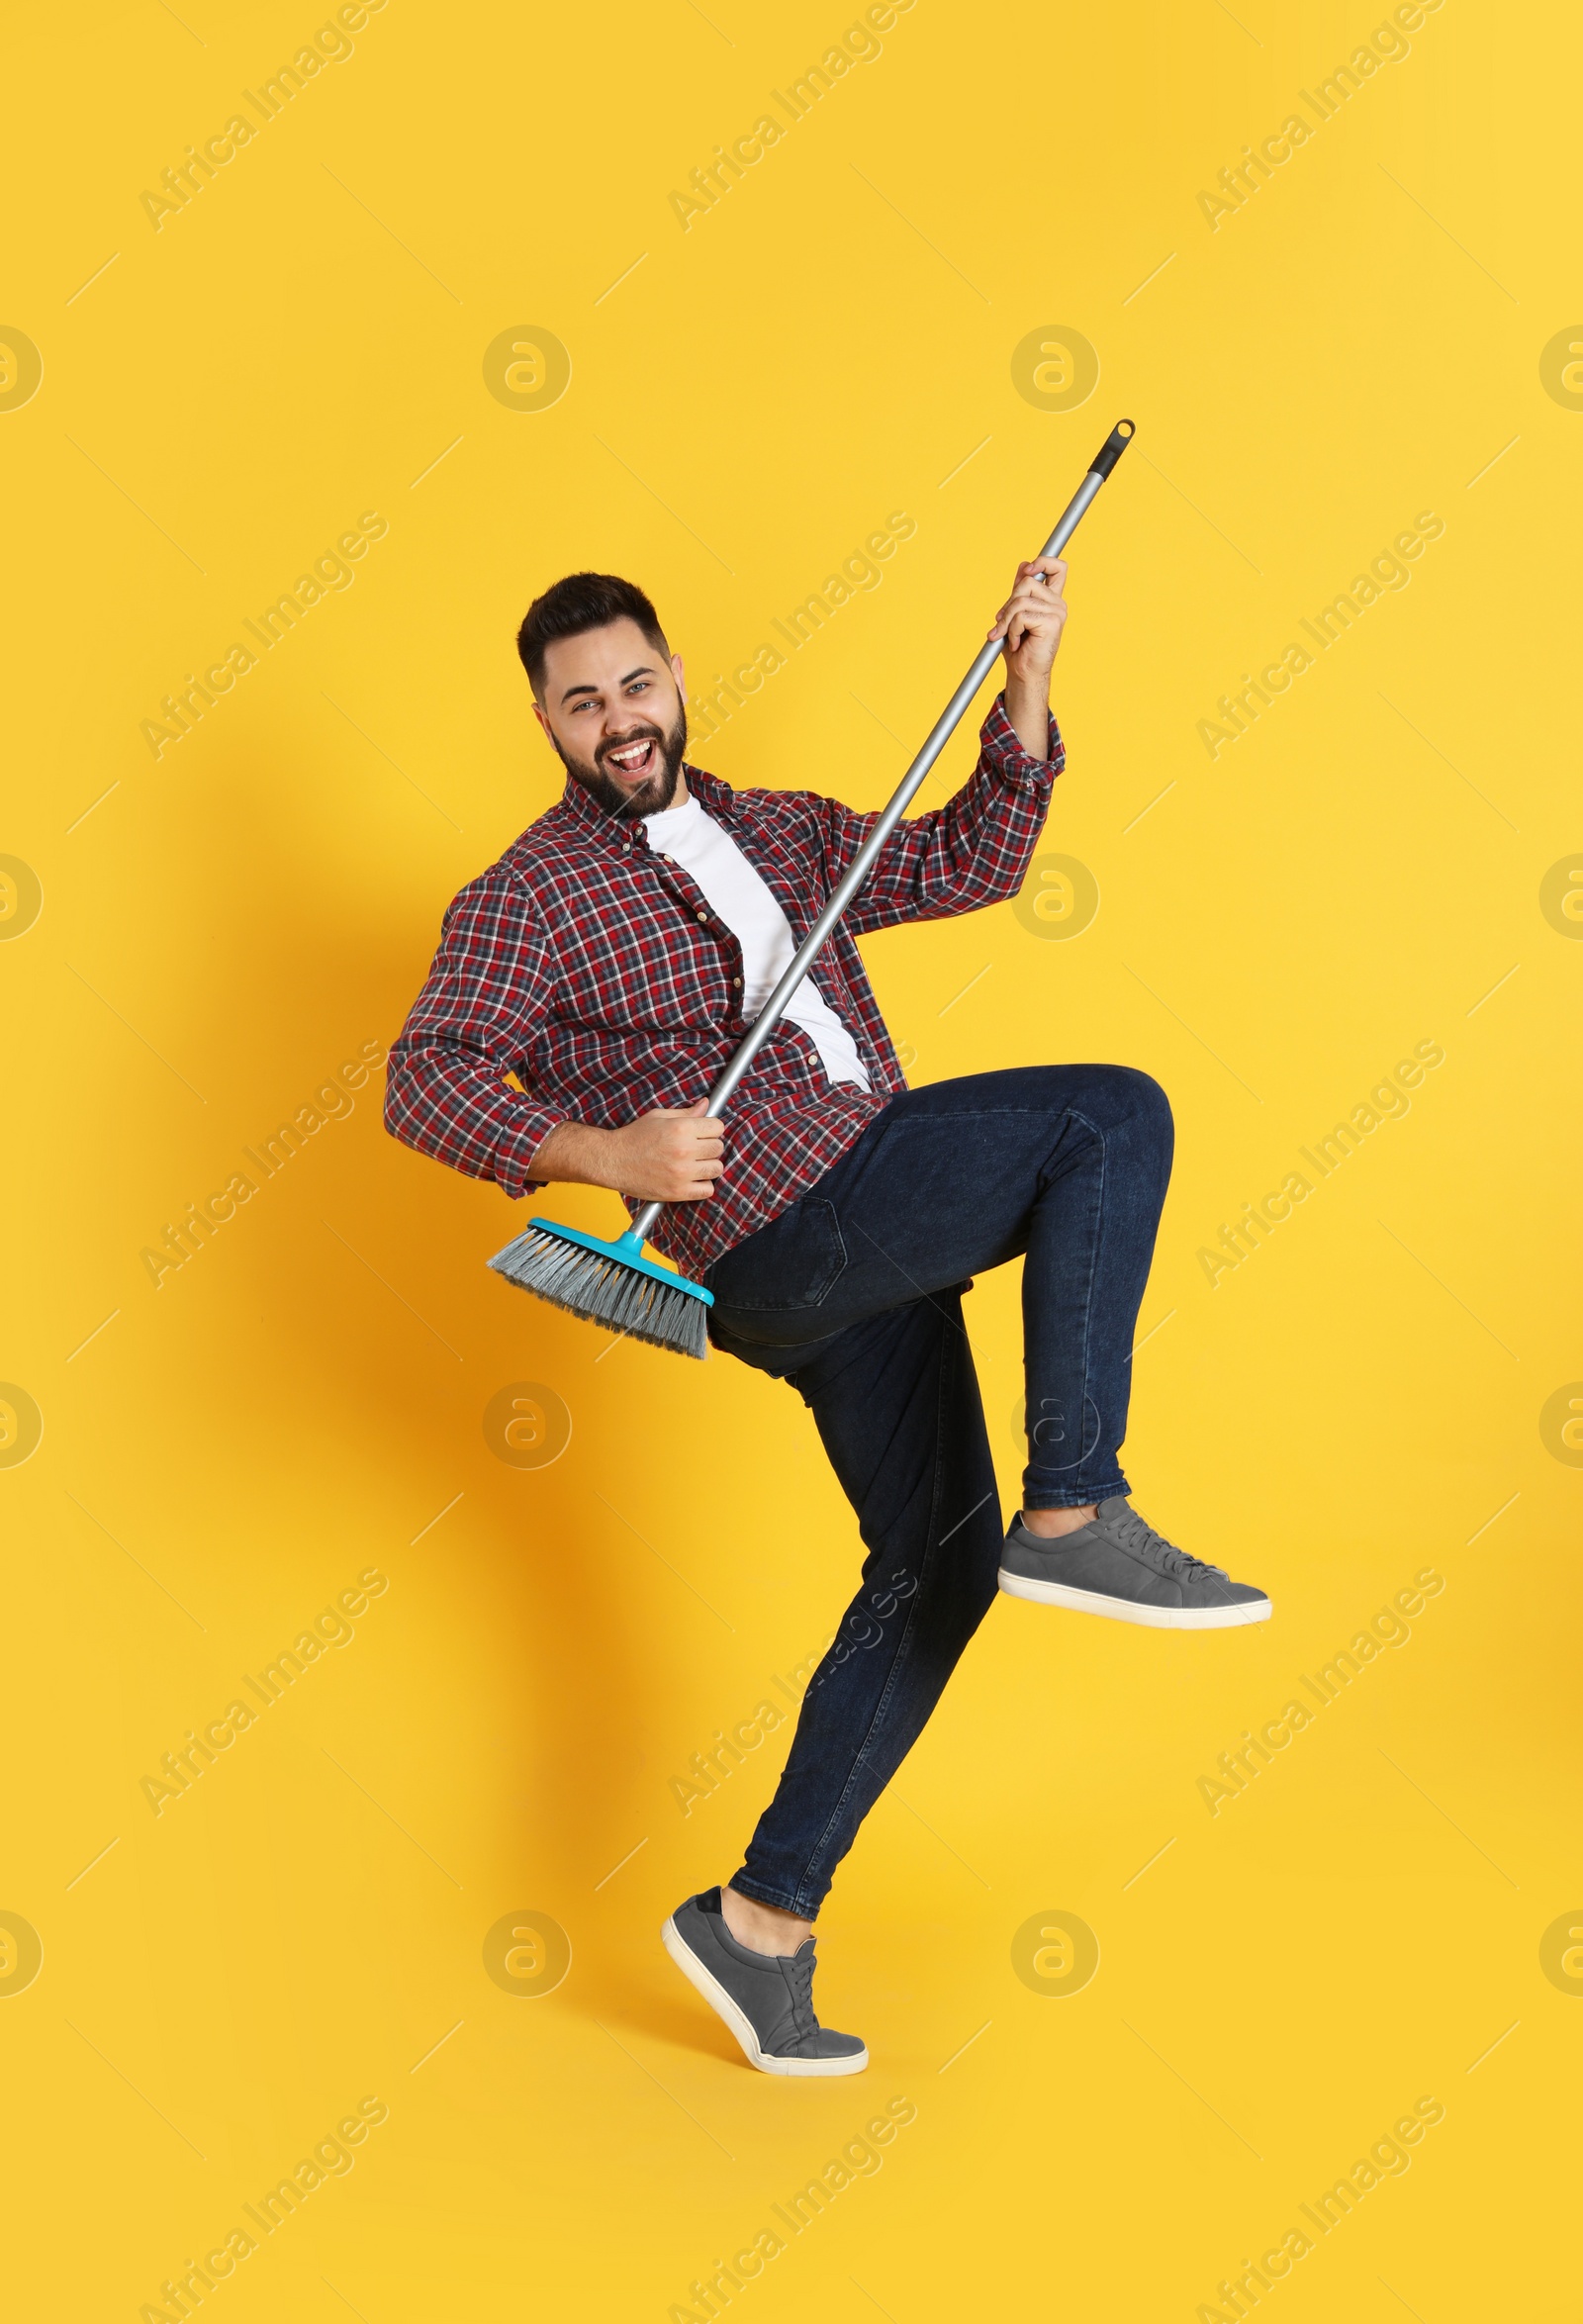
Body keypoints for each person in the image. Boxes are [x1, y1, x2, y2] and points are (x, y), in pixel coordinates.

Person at [384, 556, 1270, 2078]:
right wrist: (605, 1154)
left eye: (636, 684)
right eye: (582, 701)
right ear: (542, 716)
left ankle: (761, 1919)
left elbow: (970, 859)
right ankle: (1076, 1502)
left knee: (932, 1574)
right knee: (1107, 1118)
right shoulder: (525, 894)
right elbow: (425, 1076)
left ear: (673, 672)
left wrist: (1029, 681)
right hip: (785, 1209)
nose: (619, 720)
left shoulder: (782, 830)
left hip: (861, 1235)